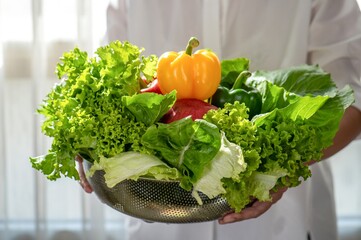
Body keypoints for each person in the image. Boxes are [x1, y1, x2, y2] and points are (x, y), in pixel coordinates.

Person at [78, 0, 361, 239]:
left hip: (284, 225)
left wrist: (278, 170)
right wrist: (85, 135)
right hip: (156, 222)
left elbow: (352, 98)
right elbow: (108, 76)